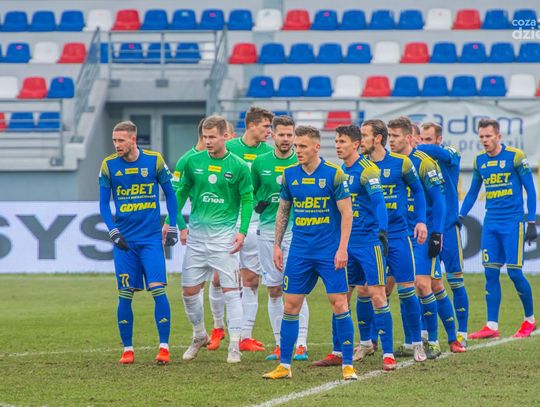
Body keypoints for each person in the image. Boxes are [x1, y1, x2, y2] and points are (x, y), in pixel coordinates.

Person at [263, 125, 356, 381]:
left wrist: (342, 248)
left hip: (329, 252)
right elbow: (283, 211)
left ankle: (348, 365)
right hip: (300, 252)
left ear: (316, 147)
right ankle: (284, 365)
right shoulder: (289, 175)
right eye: (296, 146)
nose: (297, 150)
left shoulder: (334, 174)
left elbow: (347, 213)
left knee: (340, 304)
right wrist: (276, 245)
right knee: (290, 305)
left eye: (302, 146)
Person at [98, 120, 179, 365]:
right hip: (125, 242)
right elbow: (103, 204)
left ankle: (164, 347)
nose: (116, 145)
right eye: (114, 140)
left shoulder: (154, 160)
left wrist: (172, 224)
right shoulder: (108, 165)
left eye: (121, 140)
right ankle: (128, 349)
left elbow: (171, 194)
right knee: (125, 294)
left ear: (133, 139)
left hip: (151, 239)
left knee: (158, 289)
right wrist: (113, 231)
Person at [175, 115, 253, 363]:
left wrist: (242, 231)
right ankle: (199, 335)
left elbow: (247, 200)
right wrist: (176, 222)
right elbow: (181, 193)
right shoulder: (193, 162)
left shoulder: (239, 166)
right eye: (204, 137)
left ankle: (234, 344)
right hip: (197, 239)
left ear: (225, 137)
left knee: (231, 291)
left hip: (224, 239)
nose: (207, 141)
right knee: (188, 292)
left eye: (212, 137)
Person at [388, 117, 465, 358]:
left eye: (396, 136)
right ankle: (413, 341)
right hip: (400, 233)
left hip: (424, 233)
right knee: (406, 287)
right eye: (389, 136)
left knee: (426, 284)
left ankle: (438, 339)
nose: (391, 141)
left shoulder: (424, 162)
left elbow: (439, 201)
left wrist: (436, 234)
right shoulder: (390, 163)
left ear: (410, 138)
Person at [460, 118, 537, 339]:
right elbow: (472, 192)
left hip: (512, 223)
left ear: (498, 136)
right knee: (490, 273)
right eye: (481, 137)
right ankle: (491, 326)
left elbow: (531, 191)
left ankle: (529, 320)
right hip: (490, 223)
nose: (484, 140)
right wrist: (460, 215)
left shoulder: (515, 157)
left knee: (514, 272)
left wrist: (531, 222)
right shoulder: (480, 161)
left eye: (488, 136)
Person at [358, 119, 427, 363]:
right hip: (370, 238)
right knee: (366, 290)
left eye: (364, 135)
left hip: (398, 236)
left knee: (407, 290)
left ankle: (417, 343)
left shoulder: (401, 163)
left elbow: (418, 191)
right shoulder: (359, 165)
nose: (360, 140)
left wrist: (421, 220)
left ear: (377, 138)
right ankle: (366, 342)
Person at [164, 118, 228, 351]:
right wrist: (180, 226)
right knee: (194, 285)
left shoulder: (227, 159)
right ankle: (199, 332)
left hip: (222, 228)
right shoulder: (187, 161)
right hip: (198, 229)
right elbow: (176, 196)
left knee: (220, 279)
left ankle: (220, 327)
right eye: (208, 136)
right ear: (203, 135)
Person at [336, 125, 395, 370]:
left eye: (342, 141)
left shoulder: (367, 170)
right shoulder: (340, 171)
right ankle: (347, 348)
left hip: (368, 243)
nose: (337, 145)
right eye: (336, 141)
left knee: (377, 295)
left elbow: (379, 203)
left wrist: (382, 231)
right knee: (343, 296)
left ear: (356, 144)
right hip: (347, 244)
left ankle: (388, 353)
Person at [251, 115, 310, 362]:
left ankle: (301, 344)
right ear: (272, 135)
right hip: (267, 233)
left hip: (297, 232)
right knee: (274, 289)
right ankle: (279, 344)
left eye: (289, 135)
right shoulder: (260, 162)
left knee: (295, 289)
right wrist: (258, 204)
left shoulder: (302, 161)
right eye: (281, 134)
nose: (286, 139)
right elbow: (252, 194)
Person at [417, 122, 470, 346]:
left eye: (428, 139)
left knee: (455, 281)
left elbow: (443, 154)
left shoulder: (450, 153)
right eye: (421, 139)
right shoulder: (417, 162)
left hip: (448, 226)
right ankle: (425, 332)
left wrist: (415, 146)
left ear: (439, 139)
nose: (424, 144)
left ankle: (463, 332)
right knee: (424, 283)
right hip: (427, 227)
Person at [227, 107, 274, 352]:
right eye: (266, 126)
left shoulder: (268, 153)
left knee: (252, 279)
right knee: (223, 279)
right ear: (252, 125)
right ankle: (219, 329)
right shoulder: (229, 148)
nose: (270, 131)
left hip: (256, 222)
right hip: (227, 221)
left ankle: (245, 336)